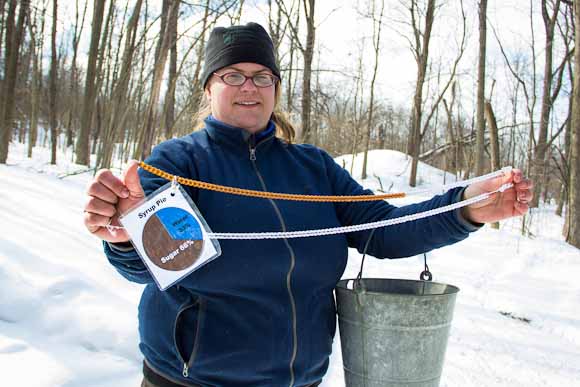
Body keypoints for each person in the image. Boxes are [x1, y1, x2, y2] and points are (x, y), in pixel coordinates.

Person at [83, 23, 533, 387]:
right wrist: (127, 236)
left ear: (276, 89)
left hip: (300, 382)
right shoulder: (179, 163)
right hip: (196, 380)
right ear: (209, 88)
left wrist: (467, 207)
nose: (249, 86)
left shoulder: (312, 168)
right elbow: (149, 266)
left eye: (263, 76)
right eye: (233, 75)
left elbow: (385, 230)